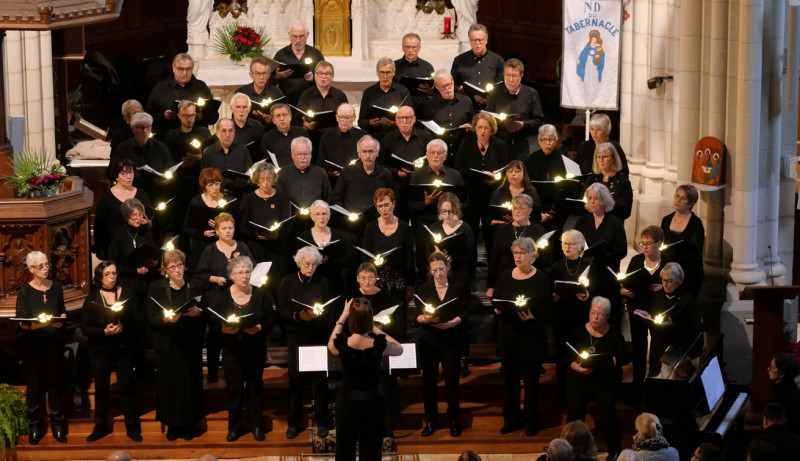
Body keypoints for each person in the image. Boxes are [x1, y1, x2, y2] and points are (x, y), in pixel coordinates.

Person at [328, 297, 403, 460]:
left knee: (344, 448)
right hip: (373, 401)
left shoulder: (343, 344)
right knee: (371, 449)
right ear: (369, 320)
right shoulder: (378, 346)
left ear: (351, 320)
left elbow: (330, 345)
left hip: (347, 401)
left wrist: (342, 317)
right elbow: (399, 348)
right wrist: (375, 329)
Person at [492, 237, 551, 435]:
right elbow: (499, 300)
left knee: (531, 382)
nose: (518, 256)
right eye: (515, 253)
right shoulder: (505, 276)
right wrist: (498, 309)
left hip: (531, 336)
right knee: (509, 382)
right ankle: (511, 420)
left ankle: (531, 420)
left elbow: (547, 308)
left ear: (532, 255)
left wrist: (533, 317)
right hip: (509, 334)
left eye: (522, 253)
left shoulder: (541, 278)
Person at [147, 250, 205, 440]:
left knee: (189, 384)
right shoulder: (156, 288)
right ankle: (172, 425)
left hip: (189, 343)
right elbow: (151, 317)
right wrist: (166, 319)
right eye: (172, 267)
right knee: (169, 386)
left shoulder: (194, 285)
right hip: (168, 344)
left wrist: (198, 312)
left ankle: (189, 424)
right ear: (165, 269)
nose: (177, 270)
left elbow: (205, 312)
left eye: (180, 265)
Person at [278, 246, 334, 439]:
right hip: (296, 337)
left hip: (317, 337)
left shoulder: (323, 282)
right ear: (299, 263)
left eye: (313, 264)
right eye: (306, 264)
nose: (310, 268)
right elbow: (282, 311)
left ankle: (321, 421)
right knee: (296, 381)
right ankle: (293, 422)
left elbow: (329, 310)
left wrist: (318, 315)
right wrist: (298, 315)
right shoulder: (287, 281)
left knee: (320, 382)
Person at [81, 261, 141, 442]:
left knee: (126, 387)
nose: (112, 277)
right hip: (100, 349)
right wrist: (103, 331)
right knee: (101, 387)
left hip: (123, 347)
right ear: (99, 277)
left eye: (114, 273)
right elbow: (84, 328)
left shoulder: (128, 294)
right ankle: (100, 427)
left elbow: (138, 320)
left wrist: (124, 326)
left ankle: (132, 427)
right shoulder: (92, 298)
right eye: (107, 274)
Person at [565, 296, 630, 459]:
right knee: (574, 409)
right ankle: (571, 448)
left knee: (607, 409)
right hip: (581, 380)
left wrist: (608, 362)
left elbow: (625, 356)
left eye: (600, 314)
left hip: (605, 382)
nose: (595, 317)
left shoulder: (614, 335)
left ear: (607, 316)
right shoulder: (579, 332)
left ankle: (614, 449)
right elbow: (567, 355)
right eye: (593, 313)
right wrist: (575, 366)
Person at [217, 256, 273, 441]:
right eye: (240, 273)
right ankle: (234, 427)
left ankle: (256, 425)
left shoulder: (261, 294)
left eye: (247, 271)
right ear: (232, 276)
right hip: (232, 350)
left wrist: (259, 327)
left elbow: (272, 320)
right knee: (234, 390)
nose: (244, 276)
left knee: (255, 387)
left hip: (254, 349)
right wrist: (223, 329)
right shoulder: (224, 296)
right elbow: (215, 320)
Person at [15, 251, 68, 445]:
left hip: (53, 344)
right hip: (34, 347)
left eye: (47, 265)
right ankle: (34, 425)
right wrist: (39, 324)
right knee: (34, 387)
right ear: (30, 269)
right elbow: (22, 323)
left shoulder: (56, 287)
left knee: (55, 385)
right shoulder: (25, 292)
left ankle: (57, 425)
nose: (46, 269)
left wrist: (61, 319)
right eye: (41, 266)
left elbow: (62, 309)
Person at [415, 251, 469, 438]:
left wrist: (452, 323)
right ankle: (431, 420)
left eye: (441, 269)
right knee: (429, 382)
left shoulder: (458, 287)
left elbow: (465, 312)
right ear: (430, 271)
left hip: (450, 339)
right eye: (435, 270)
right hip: (429, 339)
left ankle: (453, 419)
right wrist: (425, 318)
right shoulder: (423, 289)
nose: (438, 273)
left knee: (452, 380)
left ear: (448, 268)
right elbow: (417, 316)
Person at [195, 213, 254, 383]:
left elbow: (253, 268)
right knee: (215, 336)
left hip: (240, 298)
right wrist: (215, 279)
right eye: (224, 228)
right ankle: (213, 372)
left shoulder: (242, 246)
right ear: (217, 230)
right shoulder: (210, 249)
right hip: (217, 298)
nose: (228, 231)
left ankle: (238, 370)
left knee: (239, 335)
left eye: (231, 228)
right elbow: (200, 275)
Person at [348, 262, 406, 437]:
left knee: (386, 387)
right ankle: (362, 428)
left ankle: (388, 427)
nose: (367, 282)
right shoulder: (351, 298)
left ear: (376, 279)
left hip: (380, 346)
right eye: (363, 278)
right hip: (358, 347)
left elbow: (396, 323)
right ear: (357, 279)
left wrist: (381, 326)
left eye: (371, 278)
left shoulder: (386, 297)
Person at [621, 226, 669, 401]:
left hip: (658, 312)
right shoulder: (636, 261)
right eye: (643, 243)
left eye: (649, 243)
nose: (645, 247)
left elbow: (677, 285)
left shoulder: (667, 263)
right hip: (638, 310)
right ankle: (637, 388)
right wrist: (624, 291)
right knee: (639, 350)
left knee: (657, 349)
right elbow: (627, 282)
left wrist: (664, 288)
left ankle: (655, 388)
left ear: (659, 243)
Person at [454, 112, 508, 263]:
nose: (483, 131)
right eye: (480, 127)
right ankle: (470, 274)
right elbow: (458, 169)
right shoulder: (466, 143)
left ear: (492, 129)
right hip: (472, 195)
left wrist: (494, 177)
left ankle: (493, 275)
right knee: (470, 235)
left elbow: (505, 170)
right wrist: (476, 174)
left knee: (492, 236)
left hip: (492, 196)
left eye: (486, 128)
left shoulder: (499, 145)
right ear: (474, 129)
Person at [547, 229, 592, 403]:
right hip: (561, 316)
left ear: (580, 246)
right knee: (562, 355)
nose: (567, 247)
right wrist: (553, 296)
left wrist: (587, 295)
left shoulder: (588, 266)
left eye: (571, 244)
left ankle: (579, 392)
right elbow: (549, 290)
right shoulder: (556, 266)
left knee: (581, 354)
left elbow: (593, 290)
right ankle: (562, 393)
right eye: (565, 243)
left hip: (581, 317)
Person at [573, 182, 627, 328]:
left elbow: (622, 250)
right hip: (587, 273)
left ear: (604, 200)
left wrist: (605, 253)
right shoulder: (582, 221)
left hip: (607, 274)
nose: (591, 202)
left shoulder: (615, 222)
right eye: (589, 198)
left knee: (606, 313)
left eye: (595, 199)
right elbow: (575, 243)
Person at [633, 263, 696, 377]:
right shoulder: (658, 296)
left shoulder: (686, 300)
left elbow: (691, 329)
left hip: (675, 349)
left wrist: (672, 325)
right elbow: (654, 318)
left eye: (669, 281)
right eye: (663, 280)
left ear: (679, 281)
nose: (665, 284)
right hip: (657, 347)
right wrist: (648, 317)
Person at [164, 100, 212, 237]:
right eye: (185, 115)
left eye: (192, 115)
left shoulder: (204, 133)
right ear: (179, 116)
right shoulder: (172, 136)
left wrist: (199, 158)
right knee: (178, 222)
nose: (189, 119)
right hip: (178, 185)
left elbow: (211, 156)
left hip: (197, 183)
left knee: (197, 222)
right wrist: (180, 164)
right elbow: (168, 160)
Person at [361, 188, 415, 302]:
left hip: (399, 282)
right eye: (379, 206)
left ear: (393, 204)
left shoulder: (404, 227)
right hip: (377, 282)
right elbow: (365, 257)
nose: (383, 209)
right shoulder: (371, 227)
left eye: (386, 205)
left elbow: (410, 258)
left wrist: (410, 285)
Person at [237, 162, 290, 279]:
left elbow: (287, 225)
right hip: (256, 248)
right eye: (262, 179)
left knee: (276, 281)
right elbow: (241, 227)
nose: (266, 182)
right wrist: (255, 235)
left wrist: (276, 236)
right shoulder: (249, 198)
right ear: (257, 179)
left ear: (273, 179)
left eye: (269, 179)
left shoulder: (282, 198)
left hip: (276, 248)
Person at [485, 58, 544, 161]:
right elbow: (487, 118)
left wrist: (523, 125)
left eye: (514, 76)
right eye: (507, 75)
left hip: (521, 145)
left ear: (521, 76)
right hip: (498, 143)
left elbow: (539, 122)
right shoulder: (495, 93)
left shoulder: (531, 94)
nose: (510, 79)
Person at [487, 194, 546, 297]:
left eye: (521, 208)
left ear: (530, 211)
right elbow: (494, 259)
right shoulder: (503, 231)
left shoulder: (538, 231)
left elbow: (544, 259)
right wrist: (491, 286)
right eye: (514, 208)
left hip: (530, 279)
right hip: (505, 280)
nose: (517, 211)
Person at [94, 158, 151, 260]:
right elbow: (99, 226)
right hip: (115, 246)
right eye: (124, 174)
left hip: (138, 243)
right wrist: (99, 248)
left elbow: (148, 220)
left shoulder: (142, 194)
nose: (128, 177)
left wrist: (148, 223)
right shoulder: (107, 197)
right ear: (116, 176)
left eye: (131, 173)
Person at [146, 53, 216, 135]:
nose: (184, 73)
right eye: (180, 69)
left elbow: (214, 117)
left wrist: (200, 117)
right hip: (169, 136)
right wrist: (164, 116)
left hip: (197, 135)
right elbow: (148, 116)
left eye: (188, 69)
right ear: (173, 68)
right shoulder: (161, 88)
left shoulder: (201, 87)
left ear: (192, 69)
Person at [296, 200, 358, 292]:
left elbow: (346, 261)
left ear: (329, 216)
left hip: (334, 280)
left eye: (324, 214)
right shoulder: (304, 236)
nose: (321, 217)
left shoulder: (338, 235)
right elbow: (299, 262)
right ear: (312, 217)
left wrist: (329, 261)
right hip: (312, 281)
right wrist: (316, 261)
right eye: (317, 214)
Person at [110, 112, 172, 202]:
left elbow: (171, 170)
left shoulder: (161, 148)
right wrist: (129, 174)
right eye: (140, 127)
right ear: (133, 129)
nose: (145, 131)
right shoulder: (122, 148)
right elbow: (111, 172)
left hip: (156, 196)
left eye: (148, 127)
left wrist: (166, 181)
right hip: (130, 197)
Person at [660, 184, 705, 303]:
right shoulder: (666, 220)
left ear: (691, 204)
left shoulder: (696, 223)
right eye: (676, 196)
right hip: (669, 275)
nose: (677, 200)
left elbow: (695, 251)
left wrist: (673, 252)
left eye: (683, 198)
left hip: (689, 275)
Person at [331, 135, 392, 216]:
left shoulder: (385, 174)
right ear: (359, 153)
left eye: (371, 151)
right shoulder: (347, 171)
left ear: (377, 153)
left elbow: (390, 201)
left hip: (376, 221)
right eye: (364, 151)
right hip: (349, 220)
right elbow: (336, 198)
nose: (368, 156)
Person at [108, 198, 156, 301]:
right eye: (134, 215)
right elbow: (113, 266)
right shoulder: (119, 236)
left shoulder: (146, 231)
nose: (138, 218)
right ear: (126, 216)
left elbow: (153, 252)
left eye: (140, 214)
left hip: (148, 282)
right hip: (128, 284)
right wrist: (136, 271)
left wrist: (154, 261)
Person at [268, 20, 325, 106]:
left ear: (307, 35)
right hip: (286, 103)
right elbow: (269, 81)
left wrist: (314, 78)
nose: (298, 40)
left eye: (301, 37)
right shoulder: (281, 55)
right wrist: (278, 76)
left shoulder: (316, 54)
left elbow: (325, 78)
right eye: (294, 36)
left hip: (311, 102)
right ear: (289, 35)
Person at [377, 105, 433, 193]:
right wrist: (396, 172)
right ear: (396, 120)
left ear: (414, 119)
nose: (404, 121)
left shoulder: (426, 136)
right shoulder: (388, 139)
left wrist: (420, 171)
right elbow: (381, 164)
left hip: (421, 180)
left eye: (408, 118)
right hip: (397, 182)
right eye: (401, 118)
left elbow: (434, 158)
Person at [182, 167, 228, 271]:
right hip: (201, 247)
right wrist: (202, 233)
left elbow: (236, 227)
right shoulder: (196, 201)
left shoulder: (227, 200)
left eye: (217, 183)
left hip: (222, 246)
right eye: (210, 184)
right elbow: (186, 228)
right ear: (204, 186)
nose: (215, 187)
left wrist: (219, 228)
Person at [421, 69, 475, 157]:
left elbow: (474, 122)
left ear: (452, 81)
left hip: (462, 150)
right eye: (442, 86)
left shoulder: (466, 101)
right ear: (436, 86)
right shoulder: (429, 105)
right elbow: (426, 130)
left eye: (448, 85)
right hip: (440, 153)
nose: (447, 89)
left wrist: (469, 125)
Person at [450, 24, 505, 109]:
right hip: (466, 105)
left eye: (480, 40)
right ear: (470, 41)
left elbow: (502, 86)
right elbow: (452, 84)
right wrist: (460, 90)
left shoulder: (497, 60)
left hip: (491, 106)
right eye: (474, 40)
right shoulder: (459, 60)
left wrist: (488, 99)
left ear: (486, 40)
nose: (477, 43)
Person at [425, 192, 475, 285]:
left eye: (450, 211)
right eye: (443, 211)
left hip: (458, 273)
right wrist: (437, 255)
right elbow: (428, 253)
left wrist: (450, 259)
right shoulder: (434, 227)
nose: (447, 215)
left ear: (456, 210)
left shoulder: (466, 228)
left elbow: (469, 255)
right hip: (438, 274)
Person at [358, 57, 410, 141]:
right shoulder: (368, 92)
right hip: (375, 137)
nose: (385, 76)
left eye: (388, 72)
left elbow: (409, 119)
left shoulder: (403, 91)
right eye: (382, 72)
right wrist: (370, 122)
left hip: (397, 137)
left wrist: (392, 123)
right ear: (377, 73)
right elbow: (361, 122)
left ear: (394, 73)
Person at [274, 136, 332, 210]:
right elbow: (278, 201)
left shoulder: (320, 173)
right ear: (292, 155)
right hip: (291, 217)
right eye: (299, 154)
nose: (303, 157)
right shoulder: (282, 174)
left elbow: (328, 199)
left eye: (306, 154)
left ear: (311, 154)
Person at [297, 61, 348, 140]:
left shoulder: (340, 95)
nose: (323, 77)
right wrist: (304, 124)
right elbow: (298, 117)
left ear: (332, 76)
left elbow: (347, 117)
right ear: (315, 75)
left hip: (335, 138)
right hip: (312, 138)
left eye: (327, 74)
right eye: (320, 73)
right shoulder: (306, 94)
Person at [201, 118, 253, 195]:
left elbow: (252, 176)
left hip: (240, 195)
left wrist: (246, 181)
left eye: (230, 131)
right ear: (217, 132)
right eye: (224, 131)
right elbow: (203, 179)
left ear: (234, 132)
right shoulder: (208, 152)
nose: (227, 135)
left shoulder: (243, 151)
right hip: (216, 196)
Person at [583, 142, 632, 221]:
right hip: (592, 220)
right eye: (598, 157)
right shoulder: (592, 179)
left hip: (613, 222)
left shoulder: (622, 181)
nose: (601, 160)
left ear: (613, 158)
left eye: (605, 156)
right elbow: (584, 201)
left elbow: (626, 209)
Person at [317, 103, 366, 181]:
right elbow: (320, 163)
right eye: (341, 117)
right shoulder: (326, 137)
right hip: (334, 181)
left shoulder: (364, 136)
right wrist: (329, 172)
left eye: (348, 117)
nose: (344, 121)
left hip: (358, 180)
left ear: (354, 118)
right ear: (336, 117)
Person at [234, 55, 284, 129]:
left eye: (264, 73)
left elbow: (283, 118)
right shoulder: (241, 92)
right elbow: (234, 117)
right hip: (247, 130)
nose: (261, 77)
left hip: (270, 131)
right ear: (251, 75)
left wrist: (271, 119)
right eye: (257, 73)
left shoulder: (277, 93)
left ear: (268, 75)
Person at [489, 159, 542, 226]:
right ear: (507, 174)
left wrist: (518, 221)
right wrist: (495, 222)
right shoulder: (499, 192)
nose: (513, 174)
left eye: (517, 171)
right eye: (510, 171)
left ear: (524, 174)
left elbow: (537, 220)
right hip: (503, 231)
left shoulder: (531, 193)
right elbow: (488, 219)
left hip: (525, 232)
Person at [394, 33, 435, 113]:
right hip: (399, 108)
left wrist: (430, 91)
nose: (410, 50)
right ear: (402, 48)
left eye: (414, 47)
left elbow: (433, 90)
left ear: (419, 48)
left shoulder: (427, 67)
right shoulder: (394, 66)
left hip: (421, 108)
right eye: (408, 47)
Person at [229, 92, 265, 161]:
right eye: (238, 107)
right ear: (231, 108)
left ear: (249, 109)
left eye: (245, 107)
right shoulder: (226, 127)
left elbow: (262, 152)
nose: (241, 110)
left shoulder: (258, 127)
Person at [769, 354, 800, 433]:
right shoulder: (792, 387)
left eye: (772, 367)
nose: (768, 369)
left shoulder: (781, 396)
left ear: (782, 373)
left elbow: (774, 426)